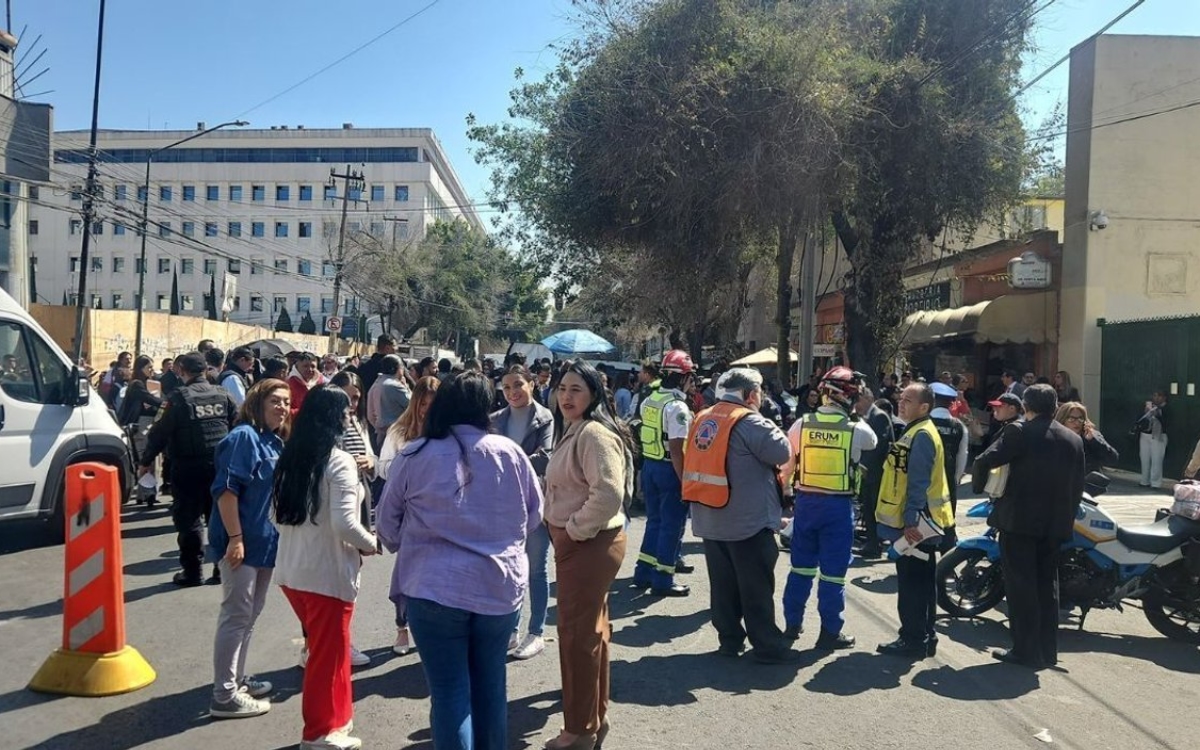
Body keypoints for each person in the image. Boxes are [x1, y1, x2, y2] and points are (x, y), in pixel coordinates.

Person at [378, 372, 543, 750]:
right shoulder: (511, 453)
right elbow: (534, 517)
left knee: (450, 692)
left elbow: (386, 527)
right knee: (490, 688)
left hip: (433, 590)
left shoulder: (414, 455)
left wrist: (421, 542)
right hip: (499, 590)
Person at [272, 386, 378, 750]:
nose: (351, 416)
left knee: (329, 650)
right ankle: (317, 733)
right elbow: (345, 524)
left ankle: (337, 721)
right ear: (335, 417)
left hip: (291, 571)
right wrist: (371, 543)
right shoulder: (338, 461)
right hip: (325, 575)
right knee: (326, 655)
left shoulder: (290, 457)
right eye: (346, 411)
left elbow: (274, 515)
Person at [543, 360, 631, 750]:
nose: (566, 396)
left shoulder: (593, 433)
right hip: (583, 542)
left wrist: (574, 530)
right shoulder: (576, 429)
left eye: (576, 389)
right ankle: (594, 718)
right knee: (591, 633)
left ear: (594, 393)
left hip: (587, 543)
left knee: (577, 637)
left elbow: (609, 492)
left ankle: (578, 729)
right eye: (562, 388)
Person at [683, 368, 798, 664]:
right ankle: (768, 647)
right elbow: (782, 452)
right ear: (750, 395)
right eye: (758, 394)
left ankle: (730, 641)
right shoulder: (750, 420)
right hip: (746, 522)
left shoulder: (703, 416)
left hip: (710, 517)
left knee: (723, 587)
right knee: (756, 587)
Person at [971, 384, 1084, 669]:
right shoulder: (1073, 439)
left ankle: (1025, 650)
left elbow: (985, 459)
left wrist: (981, 488)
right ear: (1055, 405)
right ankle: (1047, 651)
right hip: (1056, 525)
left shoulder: (1019, 431)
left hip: (1019, 522)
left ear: (1027, 406)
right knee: (1047, 586)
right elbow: (1078, 485)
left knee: (1021, 587)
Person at [207, 379, 290, 720]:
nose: (282, 407)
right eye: (275, 400)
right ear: (257, 401)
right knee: (236, 615)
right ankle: (224, 696)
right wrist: (235, 537)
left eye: (286, 402)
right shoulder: (243, 437)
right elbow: (226, 491)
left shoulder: (273, 440)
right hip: (242, 543)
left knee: (249, 616)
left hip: (265, 542)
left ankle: (237, 680)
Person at [782, 367, 877, 649]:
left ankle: (792, 625)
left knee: (800, 569)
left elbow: (787, 465)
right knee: (833, 574)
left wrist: (787, 493)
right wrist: (856, 416)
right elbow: (872, 442)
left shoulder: (802, 424)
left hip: (806, 505)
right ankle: (829, 632)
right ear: (848, 397)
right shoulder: (857, 429)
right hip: (837, 508)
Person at [140, 352, 237, 586]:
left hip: (187, 468)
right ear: (205, 370)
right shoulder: (223, 394)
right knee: (219, 517)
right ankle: (221, 569)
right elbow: (238, 425)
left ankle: (192, 572)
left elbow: (158, 432)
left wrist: (145, 461)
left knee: (189, 520)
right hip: (220, 467)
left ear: (182, 371)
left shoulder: (178, 397)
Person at [875, 383, 956, 659]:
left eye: (908, 400)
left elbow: (917, 482)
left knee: (913, 585)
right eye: (901, 398)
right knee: (922, 582)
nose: (901, 402)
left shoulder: (921, 434)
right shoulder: (916, 430)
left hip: (918, 524)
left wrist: (910, 520)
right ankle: (923, 636)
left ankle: (912, 639)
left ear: (924, 407)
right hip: (922, 521)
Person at [493, 365, 555, 661]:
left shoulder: (545, 418)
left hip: (534, 505)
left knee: (536, 570)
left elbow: (544, 459)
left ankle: (537, 632)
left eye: (518, 384)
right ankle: (511, 629)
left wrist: (505, 460)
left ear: (531, 384)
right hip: (502, 507)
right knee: (509, 569)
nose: (512, 392)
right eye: (506, 387)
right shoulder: (495, 420)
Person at [377, 375, 441, 656]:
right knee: (405, 571)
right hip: (406, 511)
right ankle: (402, 627)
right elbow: (383, 467)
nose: (426, 409)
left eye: (432, 403)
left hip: (437, 512)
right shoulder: (399, 431)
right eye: (423, 403)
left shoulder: (445, 432)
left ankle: (428, 627)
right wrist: (406, 473)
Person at [633, 349, 695, 597]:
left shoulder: (651, 400)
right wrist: (686, 481)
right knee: (671, 525)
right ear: (683, 377)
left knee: (655, 522)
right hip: (670, 469)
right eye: (691, 376)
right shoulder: (677, 407)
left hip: (650, 466)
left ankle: (643, 572)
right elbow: (678, 450)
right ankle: (663, 579)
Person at [118, 355, 163, 506]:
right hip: (141, 424)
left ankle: (145, 492)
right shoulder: (137, 384)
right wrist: (166, 402)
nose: (151, 370)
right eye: (148, 367)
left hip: (151, 423)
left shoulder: (151, 384)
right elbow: (150, 399)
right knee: (145, 458)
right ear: (140, 368)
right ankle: (146, 493)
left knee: (150, 459)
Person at [855, 388, 892, 559]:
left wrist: (863, 465)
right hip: (866, 474)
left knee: (874, 508)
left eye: (859, 399)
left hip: (877, 473)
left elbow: (879, 446)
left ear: (868, 398)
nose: (857, 404)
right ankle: (871, 541)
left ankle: (875, 543)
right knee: (867, 508)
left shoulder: (879, 417)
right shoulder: (863, 418)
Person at [930, 382, 969, 515]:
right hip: (948, 478)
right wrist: (955, 478)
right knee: (947, 519)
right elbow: (962, 456)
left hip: (925, 480)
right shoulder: (960, 427)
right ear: (952, 403)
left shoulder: (923, 423)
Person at [1055, 402, 1118, 475]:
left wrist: (1093, 440)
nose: (1077, 423)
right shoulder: (1055, 437)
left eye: (1080, 419)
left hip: (1087, 482)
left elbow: (1112, 459)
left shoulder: (1092, 436)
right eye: (1071, 419)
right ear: (1062, 420)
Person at [366, 354, 410, 449]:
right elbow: (413, 404)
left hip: (381, 434)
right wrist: (406, 386)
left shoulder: (376, 384)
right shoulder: (395, 386)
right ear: (397, 368)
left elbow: (370, 415)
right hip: (397, 435)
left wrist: (379, 427)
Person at [1135, 390, 1170, 489]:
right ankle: (1144, 480)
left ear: (1164, 398)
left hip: (1159, 435)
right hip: (1145, 435)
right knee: (1144, 458)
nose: (1157, 398)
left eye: (1160, 396)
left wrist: (1157, 415)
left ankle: (1155, 483)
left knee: (1156, 460)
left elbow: (1168, 423)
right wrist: (1146, 412)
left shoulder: (1166, 408)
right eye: (1155, 395)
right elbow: (1139, 420)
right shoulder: (1148, 406)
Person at [288, 352, 326, 418]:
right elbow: (285, 411)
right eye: (305, 366)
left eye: (313, 366)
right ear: (297, 366)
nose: (310, 369)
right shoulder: (289, 384)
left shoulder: (320, 381)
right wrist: (306, 411)